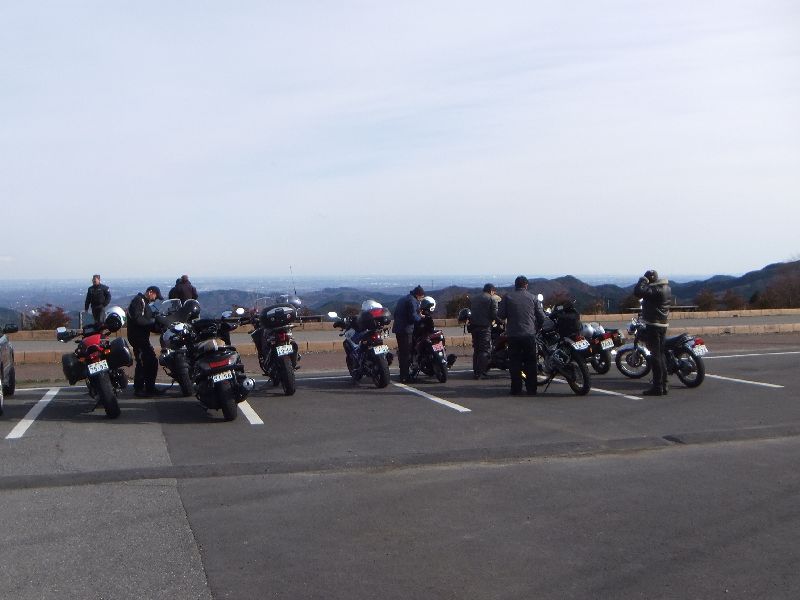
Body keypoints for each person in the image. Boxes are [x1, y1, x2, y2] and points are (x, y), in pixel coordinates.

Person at [497, 276, 545, 396]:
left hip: (513, 334)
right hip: (529, 334)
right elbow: (541, 316)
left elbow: (501, 315)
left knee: (515, 362)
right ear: (526, 285)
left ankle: (516, 389)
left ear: (515, 285)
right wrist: (537, 328)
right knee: (531, 362)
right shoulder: (533, 298)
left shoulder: (507, 297)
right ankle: (531, 389)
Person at [634, 269, 672, 396]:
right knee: (661, 355)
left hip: (654, 325)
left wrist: (643, 279)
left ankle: (657, 386)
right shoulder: (666, 288)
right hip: (663, 324)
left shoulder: (656, 290)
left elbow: (638, 292)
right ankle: (664, 385)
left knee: (655, 357)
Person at [128, 285, 164, 397]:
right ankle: (139, 389)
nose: (155, 299)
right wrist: (152, 322)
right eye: (155, 296)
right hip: (137, 337)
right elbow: (138, 319)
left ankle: (150, 388)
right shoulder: (138, 301)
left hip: (143, 338)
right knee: (143, 362)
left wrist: (159, 326)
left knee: (152, 361)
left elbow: (147, 322)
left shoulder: (145, 304)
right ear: (150, 292)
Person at [392, 285, 425, 383]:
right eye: (422, 297)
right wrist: (421, 319)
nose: (421, 299)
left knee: (403, 353)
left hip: (399, 328)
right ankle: (405, 376)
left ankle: (404, 374)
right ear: (418, 295)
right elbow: (413, 316)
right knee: (406, 354)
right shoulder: (412, 301)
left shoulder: (404, 298)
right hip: (406, 330)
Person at [469, 283, 499, 379]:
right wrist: (501, 321)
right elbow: (494, 314)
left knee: (477, 350)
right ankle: (480, 372)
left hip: (474, 327)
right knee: (485, 350)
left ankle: (476, 370)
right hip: (485, 327)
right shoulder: (491, 299)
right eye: (493, 292)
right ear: (491, 291)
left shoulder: (474, 298)